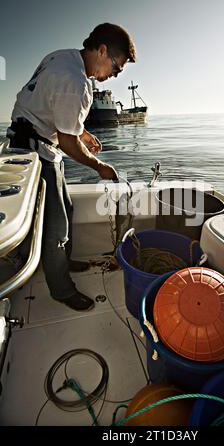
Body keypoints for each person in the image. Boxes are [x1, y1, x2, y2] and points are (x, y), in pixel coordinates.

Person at [7, 23, 136, 311]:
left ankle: (65, 261)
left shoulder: (61, 56)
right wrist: (100, 166)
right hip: (36, 149)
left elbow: (57, 111)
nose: (113, 76)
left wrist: (84, 134)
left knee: (68, 206)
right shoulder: (76, 81)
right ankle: (61, 290)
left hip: (32, 140)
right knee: (56, 227)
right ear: (102, 50)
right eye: (116, 68)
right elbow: (67, 142)